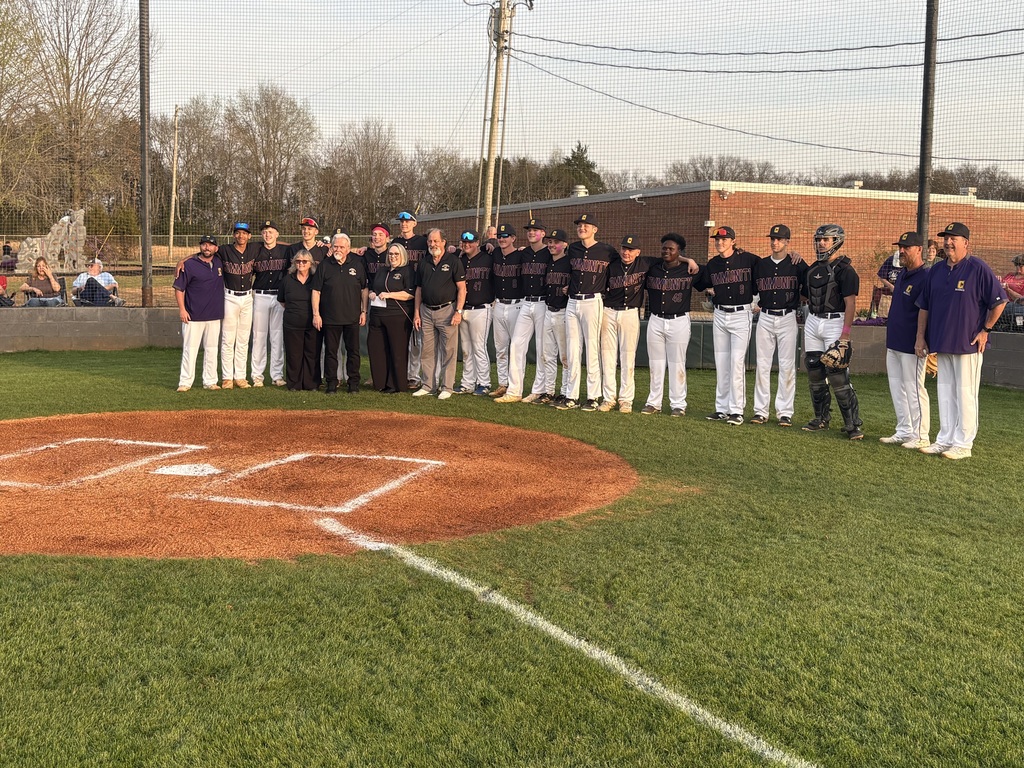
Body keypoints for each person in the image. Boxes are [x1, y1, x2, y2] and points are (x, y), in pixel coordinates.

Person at [914, 222, 1007, 460]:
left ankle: (963, 444)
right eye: (946, 238)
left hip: (968, 344)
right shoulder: (936, 270)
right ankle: (944, 439)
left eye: (953, 238)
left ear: (966, 243)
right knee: (945, 393)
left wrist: (986, 330)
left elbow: (1000, 301)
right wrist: (920, 337)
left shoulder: (978, 268)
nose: (948, 242)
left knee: (966, 394)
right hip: (941, 342)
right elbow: (924, 306)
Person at [800, 223, 864, 439]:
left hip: (835, 322)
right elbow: (805, 295)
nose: (821, 243)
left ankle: (852, 424)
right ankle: (821, 418)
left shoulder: (846, 270)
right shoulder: (811, 269)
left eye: (825, 240)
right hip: (813, 320)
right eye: (818, 239)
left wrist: (845, 335)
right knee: (814, 368)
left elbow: (851, 303)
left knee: (837, 373)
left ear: (836, 242)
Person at [696, 226, 759, 426]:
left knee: (736, 363)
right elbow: (701, 281)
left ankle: (737, 410)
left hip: (741, 315)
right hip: (720, 314)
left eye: (724, 239)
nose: (719, 242)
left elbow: (767, 271)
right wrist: (688, 262)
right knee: (722, 363)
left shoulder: (748, 259)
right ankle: (722, 409)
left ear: (733, 241)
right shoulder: (713, 264)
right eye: (717, 239)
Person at [558, 213, 617, 411]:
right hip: (572, 301)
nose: (582, 228)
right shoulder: (573, 248)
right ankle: (571, 395)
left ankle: (593, 396)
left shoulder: (607, 250)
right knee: (573, 350)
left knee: (592, 349)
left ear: (595, 229)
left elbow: (621, 267)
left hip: (593, 301)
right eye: (579, 225)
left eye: (586, 225)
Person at [641, 233, 704, 416]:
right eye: (664, 248)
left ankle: (678, 404)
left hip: (679, 320)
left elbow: (708, 276)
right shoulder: (653, 267)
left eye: (671, 249)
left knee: (677, 364)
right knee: (656, 364)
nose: (667, 251)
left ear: (679, 251)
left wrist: (688, 260)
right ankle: (654, 403)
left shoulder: (689, 270)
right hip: (655, 320)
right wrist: (687, 258)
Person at [750, 224, 806, 427]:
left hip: (787, 317)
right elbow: (754, 288)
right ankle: (760, 411)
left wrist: (799, 257)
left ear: (787, 242)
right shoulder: (761, 265)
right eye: (773, 239)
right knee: (762, 365)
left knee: (787, 365)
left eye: (780, 239)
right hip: (765, 317)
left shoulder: (797, 264)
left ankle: (785, 412)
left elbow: (808, 286)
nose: (775, 242)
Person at [880, 231, 931, 449]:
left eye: (906, 247)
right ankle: (904, 430)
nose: (901, 251)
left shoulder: (926, 276)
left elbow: (927, 310)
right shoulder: (902, 274)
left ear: (919, 249)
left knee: (914, 389)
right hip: (894, 340)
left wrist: (921, 339)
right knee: (897, 388)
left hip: (913, 344)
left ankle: (921, 435)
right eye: (900, 247)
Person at [599, 235, 655, 413]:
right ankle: (608, 398)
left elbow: (670, 259)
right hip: (608, 312)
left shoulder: (645, 263)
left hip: (630, 313)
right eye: (624, 248)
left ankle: (626, 399)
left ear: (638, 252)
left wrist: (688, 260)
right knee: (607, 357)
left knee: (628, 358)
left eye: (631, 250)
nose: (626, 252)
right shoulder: (611, 264)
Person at [497, 219, 551, 404]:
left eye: (536, 230)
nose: (531, 232)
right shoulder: (523, 253)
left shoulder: (549, 252)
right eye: (529, 230)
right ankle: (514, 391)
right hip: (526, 302)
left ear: (543, 233)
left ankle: (539, 390)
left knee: (542, 348)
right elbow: (504, 253)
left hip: (543, 303)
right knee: (516, 345)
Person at [311, 232, 367, 394]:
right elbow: (316, 291)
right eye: (335, 246)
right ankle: (331, 383)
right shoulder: (324, 265)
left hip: (352, 317)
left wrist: (364, 311)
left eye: (342, 247)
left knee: (353, 352)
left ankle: (353, 383)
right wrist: (316, 314)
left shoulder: (357, 265)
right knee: (331, 353)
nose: (338, 249)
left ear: (348, 248)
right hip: (330, 318)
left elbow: (364, 289)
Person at [413, 229, 466, 400]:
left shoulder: (454, 261)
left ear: (443, 242)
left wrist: (458, 311)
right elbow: (419, 289)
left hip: (447, 311)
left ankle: (447, 387)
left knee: (448, 351)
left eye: (436, 241)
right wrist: (416, 313)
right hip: (426, 311)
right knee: (427, 351)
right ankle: (428, 385)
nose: (432, 244)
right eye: (430, 241)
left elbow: (462, 288)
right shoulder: (424, 262)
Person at [173, 235, 224, 391]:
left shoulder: (220, 262)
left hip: (214, 315)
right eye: (204, 244)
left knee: (212, 349)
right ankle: (185, 382)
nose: (207, 247)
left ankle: (210, 381)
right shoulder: (189, 265)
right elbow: (179, 289)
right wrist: (182, 309)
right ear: (200, 246)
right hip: (193, 316)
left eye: (210, 245)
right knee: (190, 349)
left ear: (216, 248)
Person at [367, 243, 416, 394]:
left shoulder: (407, 271)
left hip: (397, 316)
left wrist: (390, 295)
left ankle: (396, 384)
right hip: (377, 315)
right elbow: (374, 288)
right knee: (376, 349)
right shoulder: (382, 270)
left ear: (402, 255)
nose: (393, 257)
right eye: (390, 254)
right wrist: (372, 293)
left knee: (397, 350)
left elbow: (410, 294)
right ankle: (380, 382)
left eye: (396, 254)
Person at [218, 221, 259, 389]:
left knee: (243, 339)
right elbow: (205, 251)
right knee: (228, 339)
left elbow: (278, 245)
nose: (241, 236)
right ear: (234, 235)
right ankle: (227, 377)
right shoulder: (224, 250)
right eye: (238, 232)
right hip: (230, 297)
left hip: (248, 298)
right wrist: (182, 261)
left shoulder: (255, 248)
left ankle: (240, 377)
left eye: (244, 233)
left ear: (249, 236)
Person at [251, 221, 290, 387]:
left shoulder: (285, 250)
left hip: (279, 298)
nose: (268, 235)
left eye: (271, 231)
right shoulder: (255, 250)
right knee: (259, 337)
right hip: (260, 296)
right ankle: (257, 376)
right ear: (261, 234)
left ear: (277, 234)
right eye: (265, 232)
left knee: (277, 337)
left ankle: (277, 375)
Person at [392, 211, 428, 389]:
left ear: (415, 223)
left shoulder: (423, 242)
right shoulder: (396, 242)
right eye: (402, 221)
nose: (404, 224)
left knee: (416, 340)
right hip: (401, 293)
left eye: (407, 221)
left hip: (419, 291)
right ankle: (400, 373)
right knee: (400, 338)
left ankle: (413, 375)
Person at [487, 223, 523, 399]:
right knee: (500, 348)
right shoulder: (494, 253)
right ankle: (503, 384)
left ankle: (516, 386)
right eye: (499, 236)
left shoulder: (521, 255)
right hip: (499, 304)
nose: (501, 239)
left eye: (505, 236)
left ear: (513, 238)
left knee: (515, 349)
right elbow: (481, 248)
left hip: (517, 305)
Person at [455, 230, 493, 395]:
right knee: (466, 349)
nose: (467, 244)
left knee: (479, 347)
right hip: (463, 308)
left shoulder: (488, 258)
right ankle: (467, 383)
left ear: (477, 242)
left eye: (470, 242)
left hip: (481, 308)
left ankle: (484, 383)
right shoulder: (460, 260)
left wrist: (490, 244)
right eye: (464, 242)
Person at [277, 249, 318, 391]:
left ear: (310, 263)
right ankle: (294, 384)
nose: (301, 264)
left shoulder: (316, 279)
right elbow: (282, 301)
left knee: (311, 354)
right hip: (292, 323)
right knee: (294, 354)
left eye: (304, 261)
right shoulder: (287, 280)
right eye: (298, 261)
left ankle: (311, 384)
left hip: (312, 323)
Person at [541, 228, 572, 406]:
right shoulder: (548, 260)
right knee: (548, 355)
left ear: (564, 245)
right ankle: (549, 391)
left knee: (565, 357)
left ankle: (565, 391)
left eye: (556, 242)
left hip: (563, 312)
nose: (552, 245)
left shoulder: (570, 262)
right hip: (548, 310)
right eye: (550, 242)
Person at [996, 253, 1024, 330]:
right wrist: (997, 281)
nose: (1018, 268)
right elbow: (1001, 286)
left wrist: (1008, 290)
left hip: (1014, 305)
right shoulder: (1010, 275)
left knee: (1003, 307)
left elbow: (1022, 300)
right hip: (1001, 301)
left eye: (1021, 266)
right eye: (1016, 265)